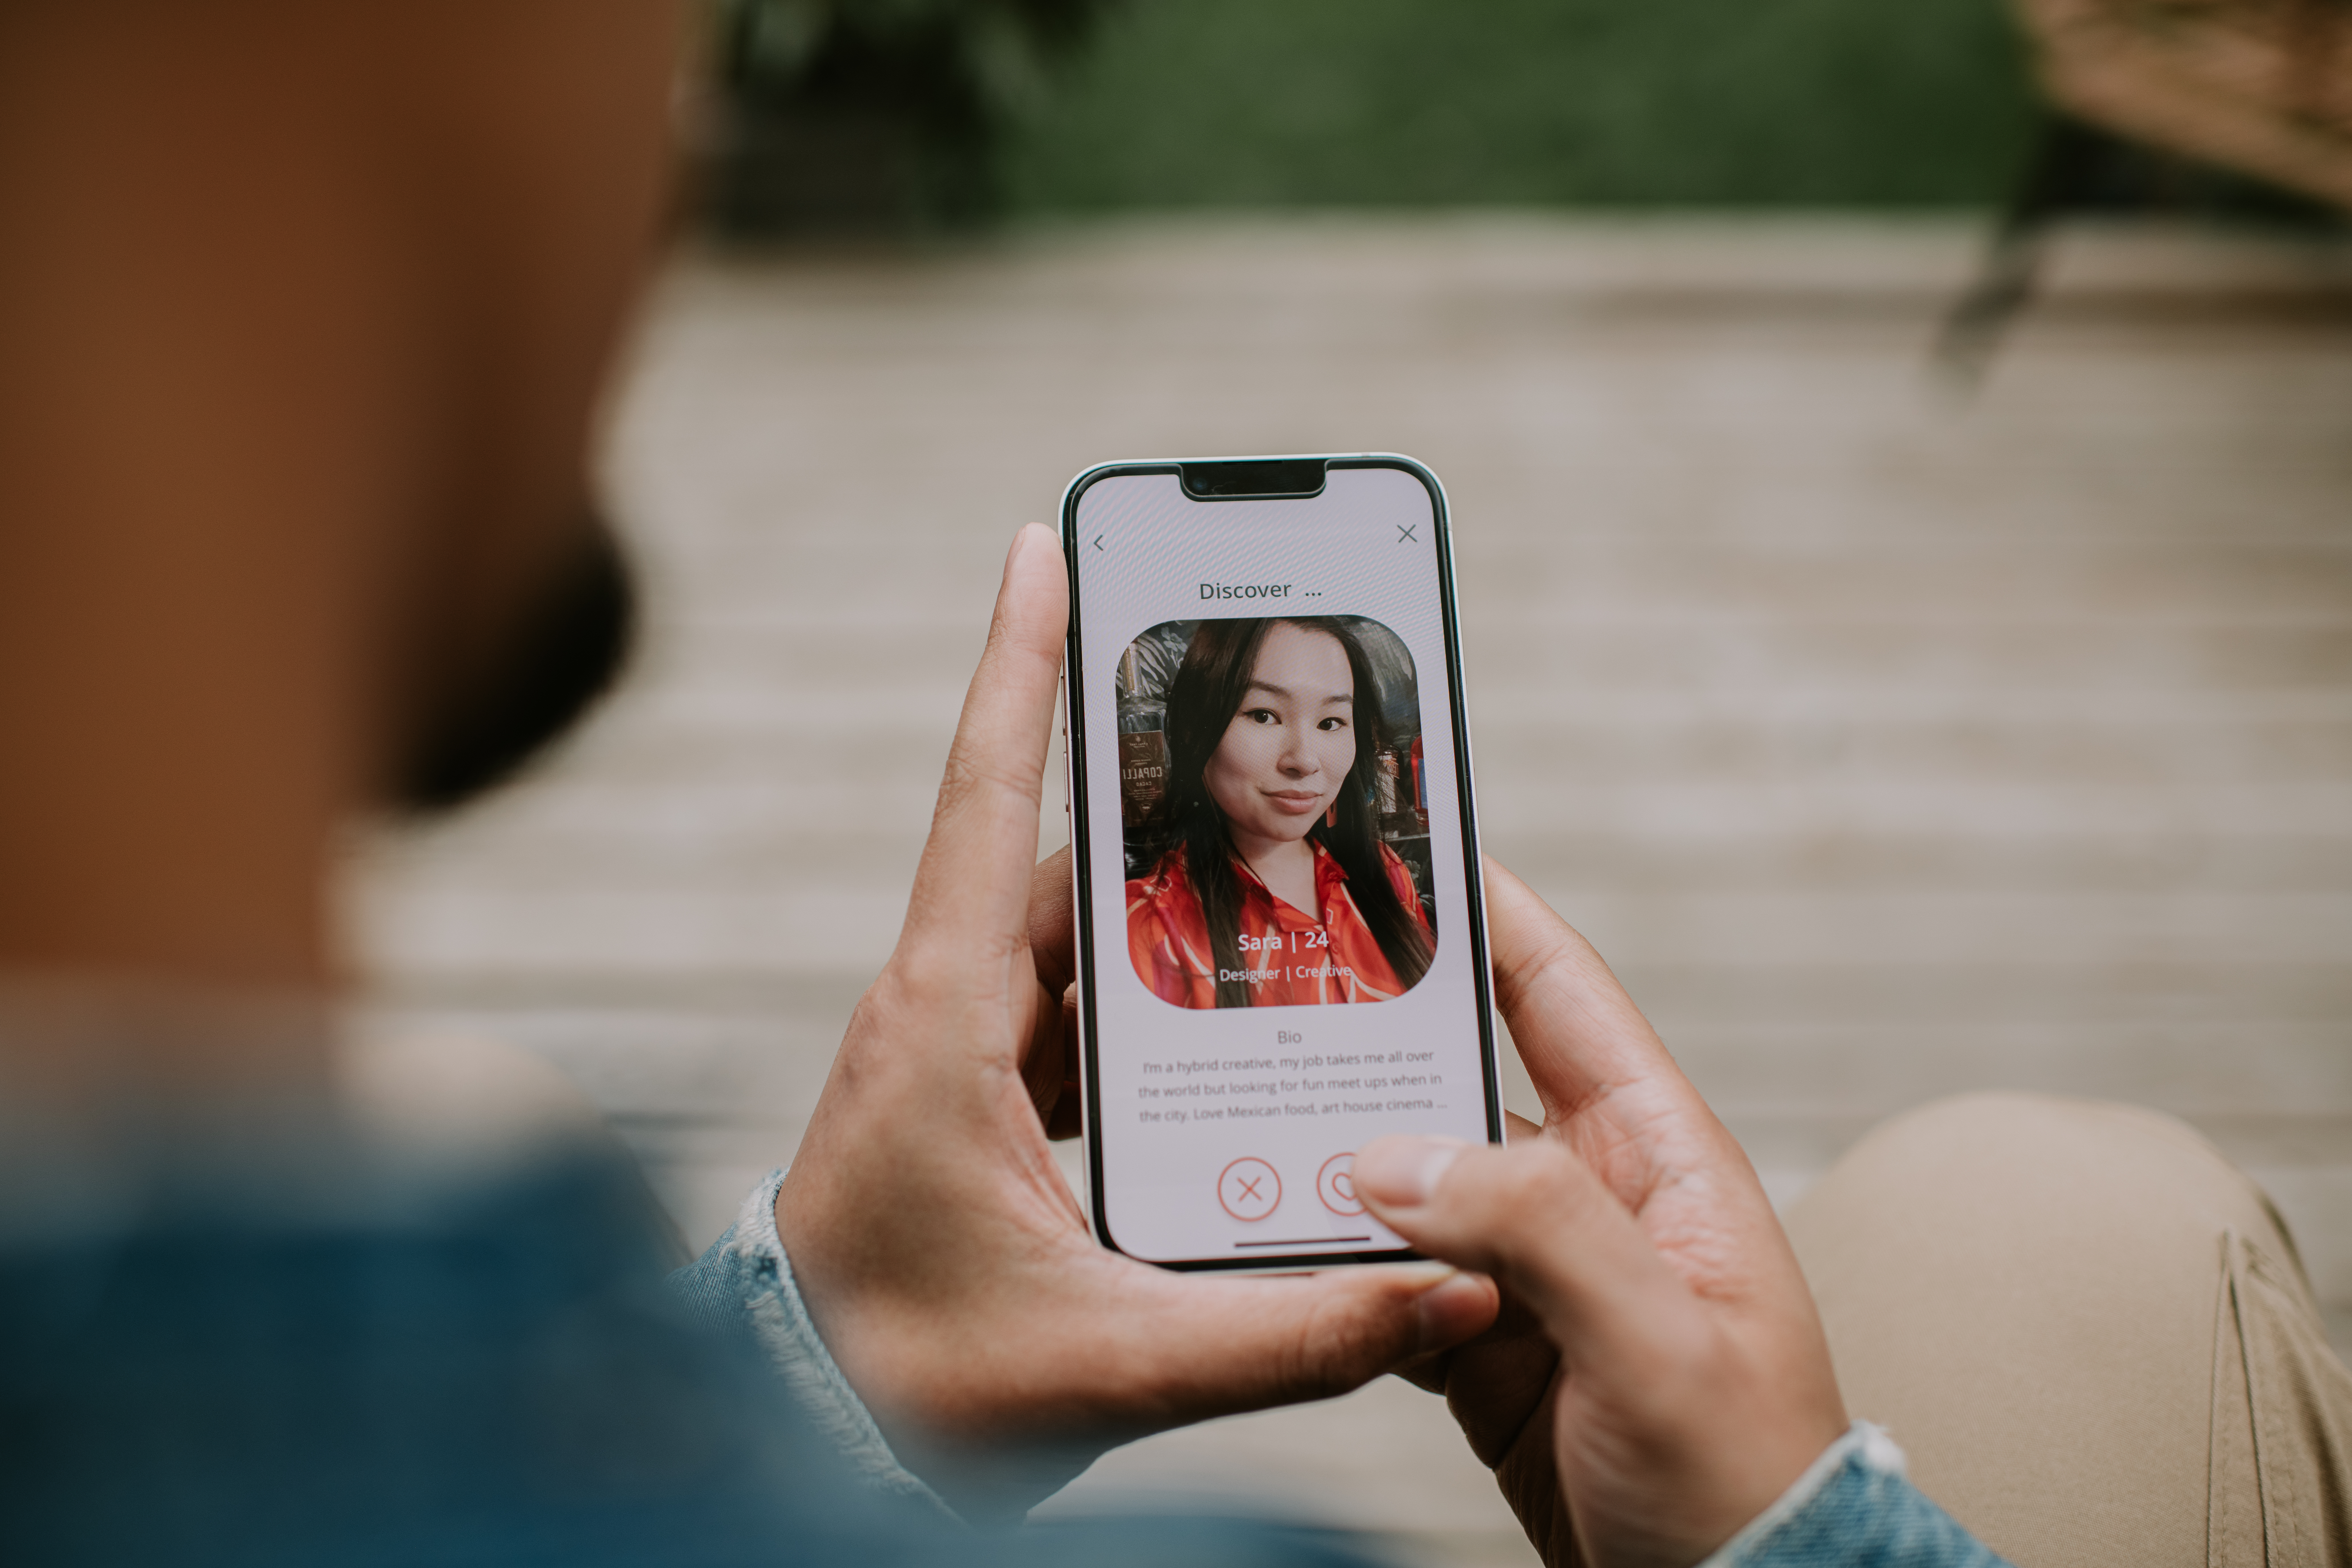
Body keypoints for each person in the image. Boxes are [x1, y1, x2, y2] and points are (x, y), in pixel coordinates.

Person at [4, 4, 2345, 1567]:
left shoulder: (1370, 923)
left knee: (2037, 1212)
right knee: (2067, 1229)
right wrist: (1790, 1539)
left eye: (1342, 720)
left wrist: (815, 1354)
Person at [1125, 618, 1434, 1008]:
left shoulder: (1388, 874)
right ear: (1193, 729)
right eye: (1263, 715)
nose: (1304, 761)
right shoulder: (1148, 923)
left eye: (1331, 722)